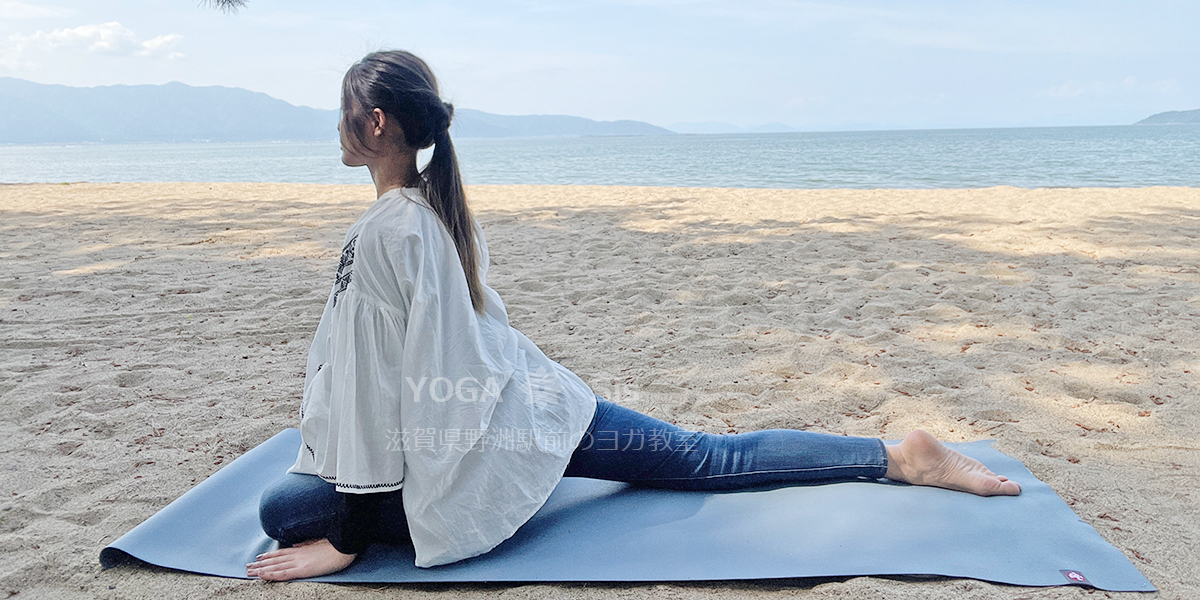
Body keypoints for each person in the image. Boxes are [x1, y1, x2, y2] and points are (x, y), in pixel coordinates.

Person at [246, 50, 1021, 582]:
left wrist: (347, 541)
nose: (337, 125)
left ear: (376, 123)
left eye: (344, 113)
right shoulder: (434, 208)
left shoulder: (387, 228)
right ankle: (891, 453)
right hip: (525, 409)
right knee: (702, 459)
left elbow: (371, 386)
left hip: (492, 434)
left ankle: (899, 457)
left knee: (285, 508)